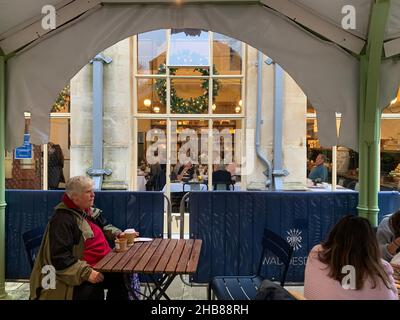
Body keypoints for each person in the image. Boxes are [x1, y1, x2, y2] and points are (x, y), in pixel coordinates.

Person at [29, 176, 139, 300]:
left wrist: (119, 234)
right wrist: (87, 273)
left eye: (92, 191)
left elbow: (105, 225)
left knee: (122, 277)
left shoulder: (87, 211)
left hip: (102, 264)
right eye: (88, 192)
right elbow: (60, 258)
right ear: (74, 196)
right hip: (70, 276)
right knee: (94, 290)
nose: (93, 195)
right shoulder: (62, 220)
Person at [304, 215, 398, 300]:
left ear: (335, 235)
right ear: (371, 243)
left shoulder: (316, 253)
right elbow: (393, 296)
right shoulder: (381, 269)